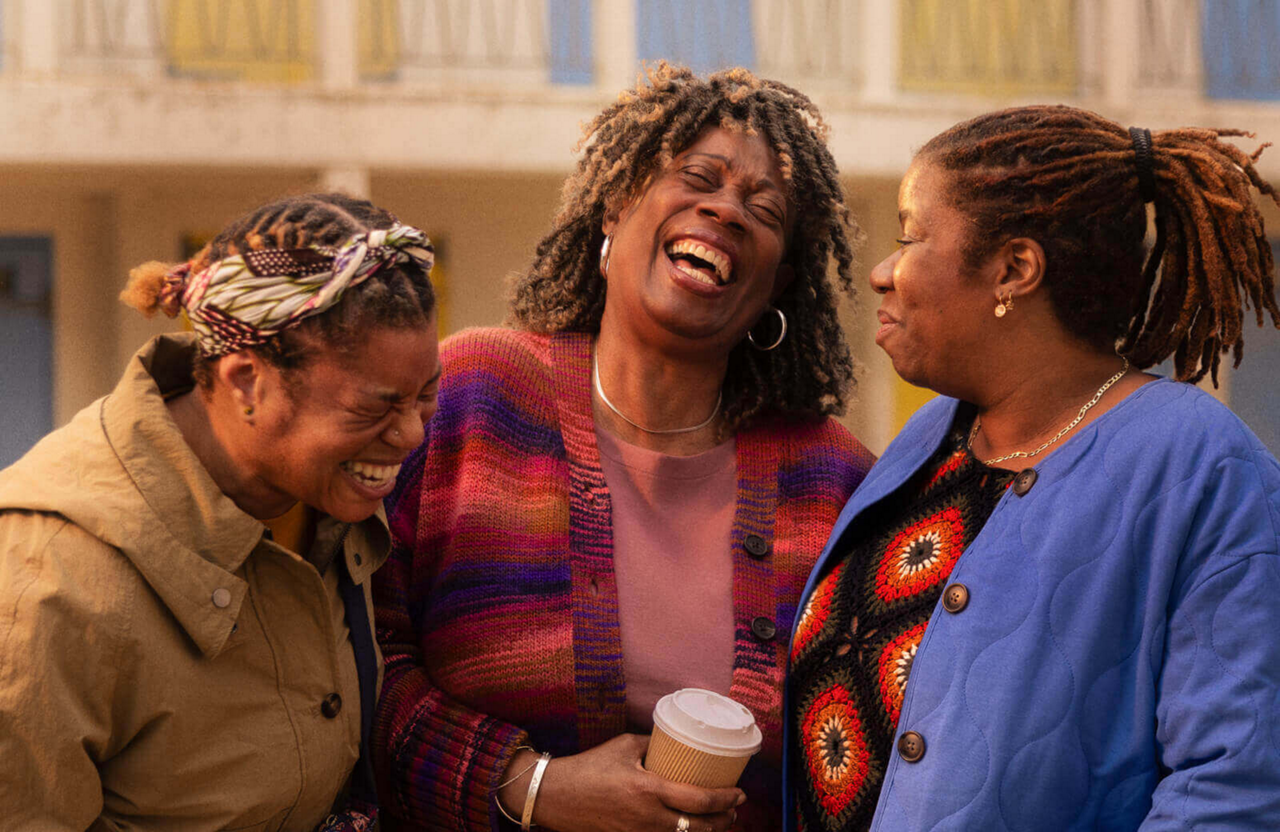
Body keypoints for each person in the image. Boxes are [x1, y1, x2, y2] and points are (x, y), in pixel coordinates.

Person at [373, 63, 875, 832]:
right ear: (614, 206)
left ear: (778, 285)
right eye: (697, 178)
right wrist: (530, 785)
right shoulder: (471, 398)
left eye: (764, 210)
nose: (726, 210)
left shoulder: (832, 479)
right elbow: (353, 657)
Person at [785, 105, 1280, 831]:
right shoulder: (930, 438)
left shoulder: (1201, 466)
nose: (881, 273)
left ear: (1014, 270)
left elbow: (1235, 788)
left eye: (910, 237)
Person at [0, 194, 441, 831]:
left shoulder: (327, 495)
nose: (412, 435)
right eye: (373, 407)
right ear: (245, 382)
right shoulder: (45, 582)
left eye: (426, 395)